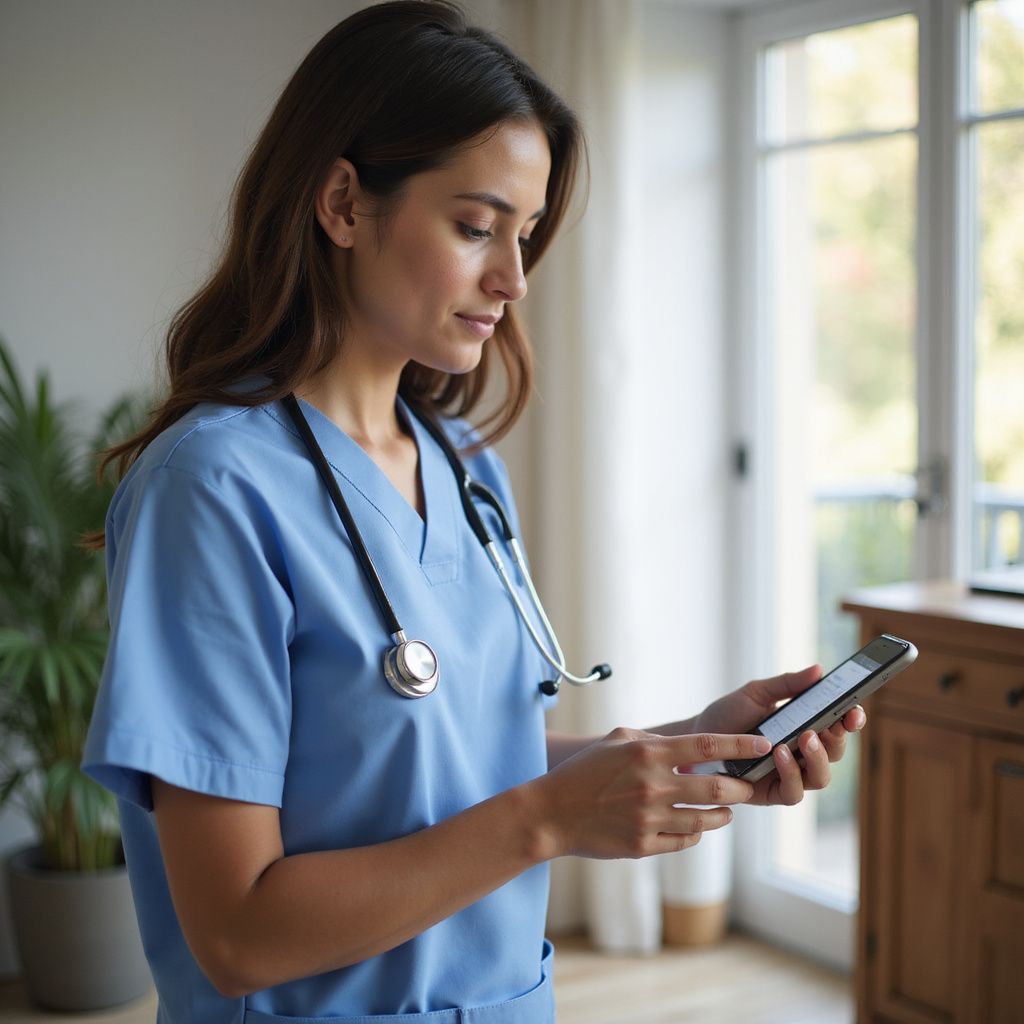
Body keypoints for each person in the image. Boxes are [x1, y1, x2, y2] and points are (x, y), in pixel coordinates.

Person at [81, 2, 866, 1021]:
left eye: (526, 235)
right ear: (342, 204)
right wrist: (546, 820)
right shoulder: (215, 491)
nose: (513, 279)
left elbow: (445, 761)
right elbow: (237, 932)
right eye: (474, 226)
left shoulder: (462, 465)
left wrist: (676, 750)